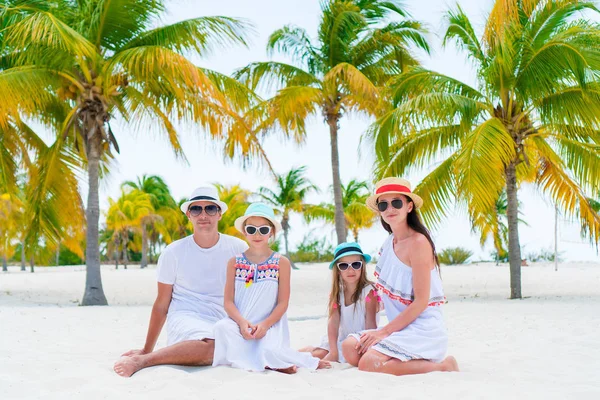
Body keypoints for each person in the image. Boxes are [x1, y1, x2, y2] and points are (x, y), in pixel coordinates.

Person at [114, 186, 248, 377]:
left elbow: (250, 291)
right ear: (188, 215)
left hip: (224, 319)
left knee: (240, 346)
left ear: (219, 214)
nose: (203, 215)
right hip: (186, 316)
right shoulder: (173, 252)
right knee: (213, 347)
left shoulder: (238, 248)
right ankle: (144, 361)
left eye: (210, 208)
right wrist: (146, 349)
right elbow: (162, 304)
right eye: (196, 209)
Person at [341, 177, 459, 375]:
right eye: (383, 204)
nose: (390, 208)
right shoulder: (389, 243)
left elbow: (421, 302)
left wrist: (383, 332)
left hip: (423, 328)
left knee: (368, 362)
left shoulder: (419, 243)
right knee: (349, 348)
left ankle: (443, 366)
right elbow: (383, 293)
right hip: (399, 326)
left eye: (396, 202)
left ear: (409, 206)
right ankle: (399, 359)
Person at [212, 203, 329, 373]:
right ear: (245, 232)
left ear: (272, 232)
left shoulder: (281, 262)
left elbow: (282, 303)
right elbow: (228, 302)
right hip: (240, 325)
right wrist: (243, 323)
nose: (257, 234)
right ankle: (264, 361)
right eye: (252, 230)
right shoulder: (234, 262)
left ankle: (270, 360)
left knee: (270, 349)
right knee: (221, 328)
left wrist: (265, 325)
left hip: (270, 325)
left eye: (264, 230)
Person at [299, 242, 379, 363]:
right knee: (319, 353)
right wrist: (333, 351)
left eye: (356, 264)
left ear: (362, 266)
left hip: (360, 340)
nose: (350, 270)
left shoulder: (369, 292)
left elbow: (371, 325)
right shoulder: (337, 293)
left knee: (346, 354)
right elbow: (333, 322)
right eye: (344, 266)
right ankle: (290, 354)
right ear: (338, 270)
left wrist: (366, 349)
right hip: (340, 338)